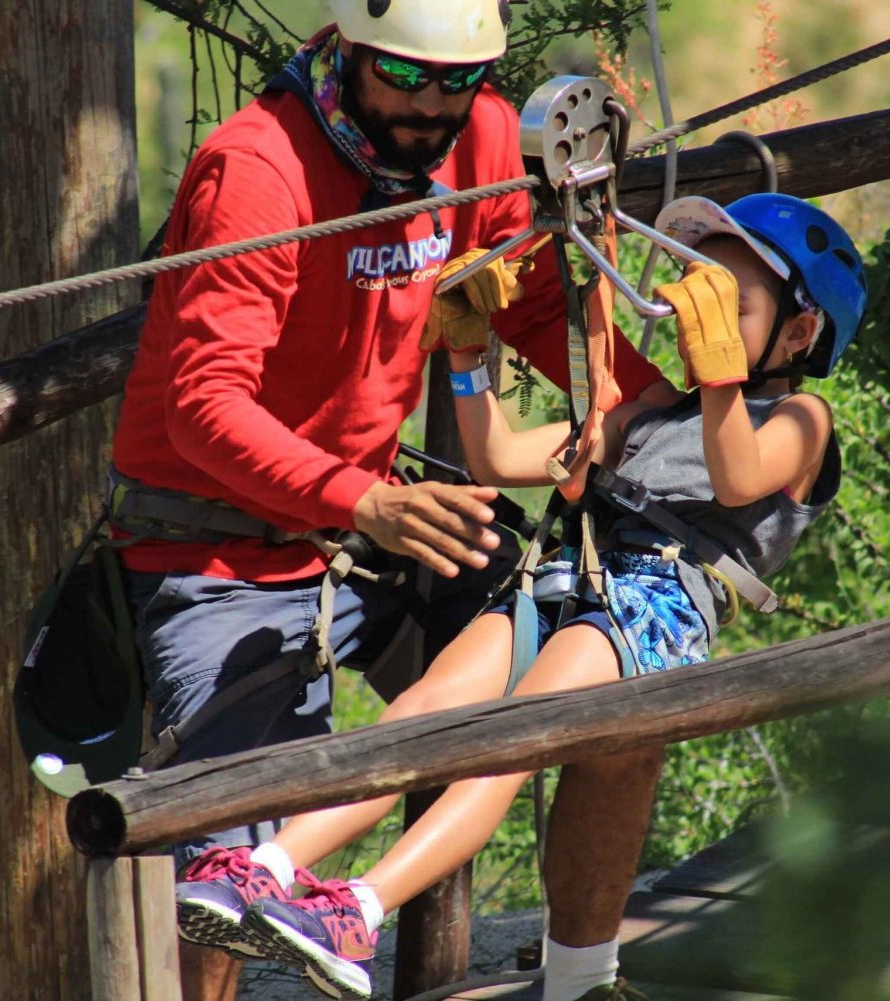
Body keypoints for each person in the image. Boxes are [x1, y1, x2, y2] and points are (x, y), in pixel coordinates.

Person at [107, 2, 680, 999]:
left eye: (454, 82)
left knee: (611, 668)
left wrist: (648, 405)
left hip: (370, 525)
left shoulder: (490, 135)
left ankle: (583, 977)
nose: (429, 106)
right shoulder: (259, 169)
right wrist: (360, 500)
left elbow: (534, 298)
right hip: (220, 552)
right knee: (228, 867)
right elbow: (204, 406)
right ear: (348, 51)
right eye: (404, 79)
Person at [222, 191, 868, 1001]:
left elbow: (739, 473)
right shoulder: (647, 412)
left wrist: (720, 375)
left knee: (508, 738)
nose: (699, 318)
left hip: (651, 608)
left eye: (729, 305)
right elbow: (497, 456)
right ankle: (266, 867)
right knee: (424, 707)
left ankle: (361, 906)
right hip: (563, 581)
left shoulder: (803, 418)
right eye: (697, 295)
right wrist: (467, 354)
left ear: (799, 333)